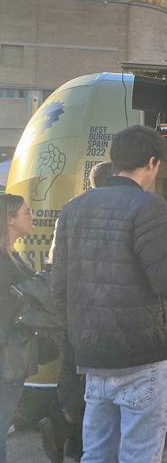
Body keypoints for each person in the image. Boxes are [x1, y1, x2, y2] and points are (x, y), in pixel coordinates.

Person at [51, 126, 167, 463]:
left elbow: (59, 288)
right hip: (142, 355)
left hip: (91, 353)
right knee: (139, 455)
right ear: (151, 162)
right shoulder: (150, 207)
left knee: (97, 453)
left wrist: (77, 340)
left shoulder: (72, 210)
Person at [39, 161, 114, 462]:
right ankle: (67, 427)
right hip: (102, 308)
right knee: (97, 377)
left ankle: (70, 435)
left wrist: (61, 308)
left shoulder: (70, 210)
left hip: (72, 307)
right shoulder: (116, 213)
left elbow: (56, 263)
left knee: (72, 370)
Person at [0, 194, 37, 463]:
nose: (32, 215)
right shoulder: (4, 260)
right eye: (26, 211)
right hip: (7, 353)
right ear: (9, 219)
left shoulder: (11, 255)